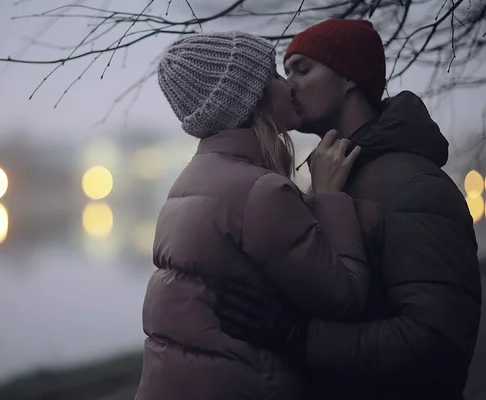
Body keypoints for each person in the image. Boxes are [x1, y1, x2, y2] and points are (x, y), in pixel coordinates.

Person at [213, 19, 483, 400]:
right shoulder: (334, 177)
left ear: (350, 77)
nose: (287, 84)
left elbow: (437, 342)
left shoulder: (414, 187)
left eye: (303, 70)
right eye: (286, 71)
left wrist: (297, 335)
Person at [135, 31, 369, 400]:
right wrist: (328, 197)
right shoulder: (262, 193)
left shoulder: (188, 181)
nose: (288, 85)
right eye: (275, 74)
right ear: (252, 98)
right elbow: (347, 297)